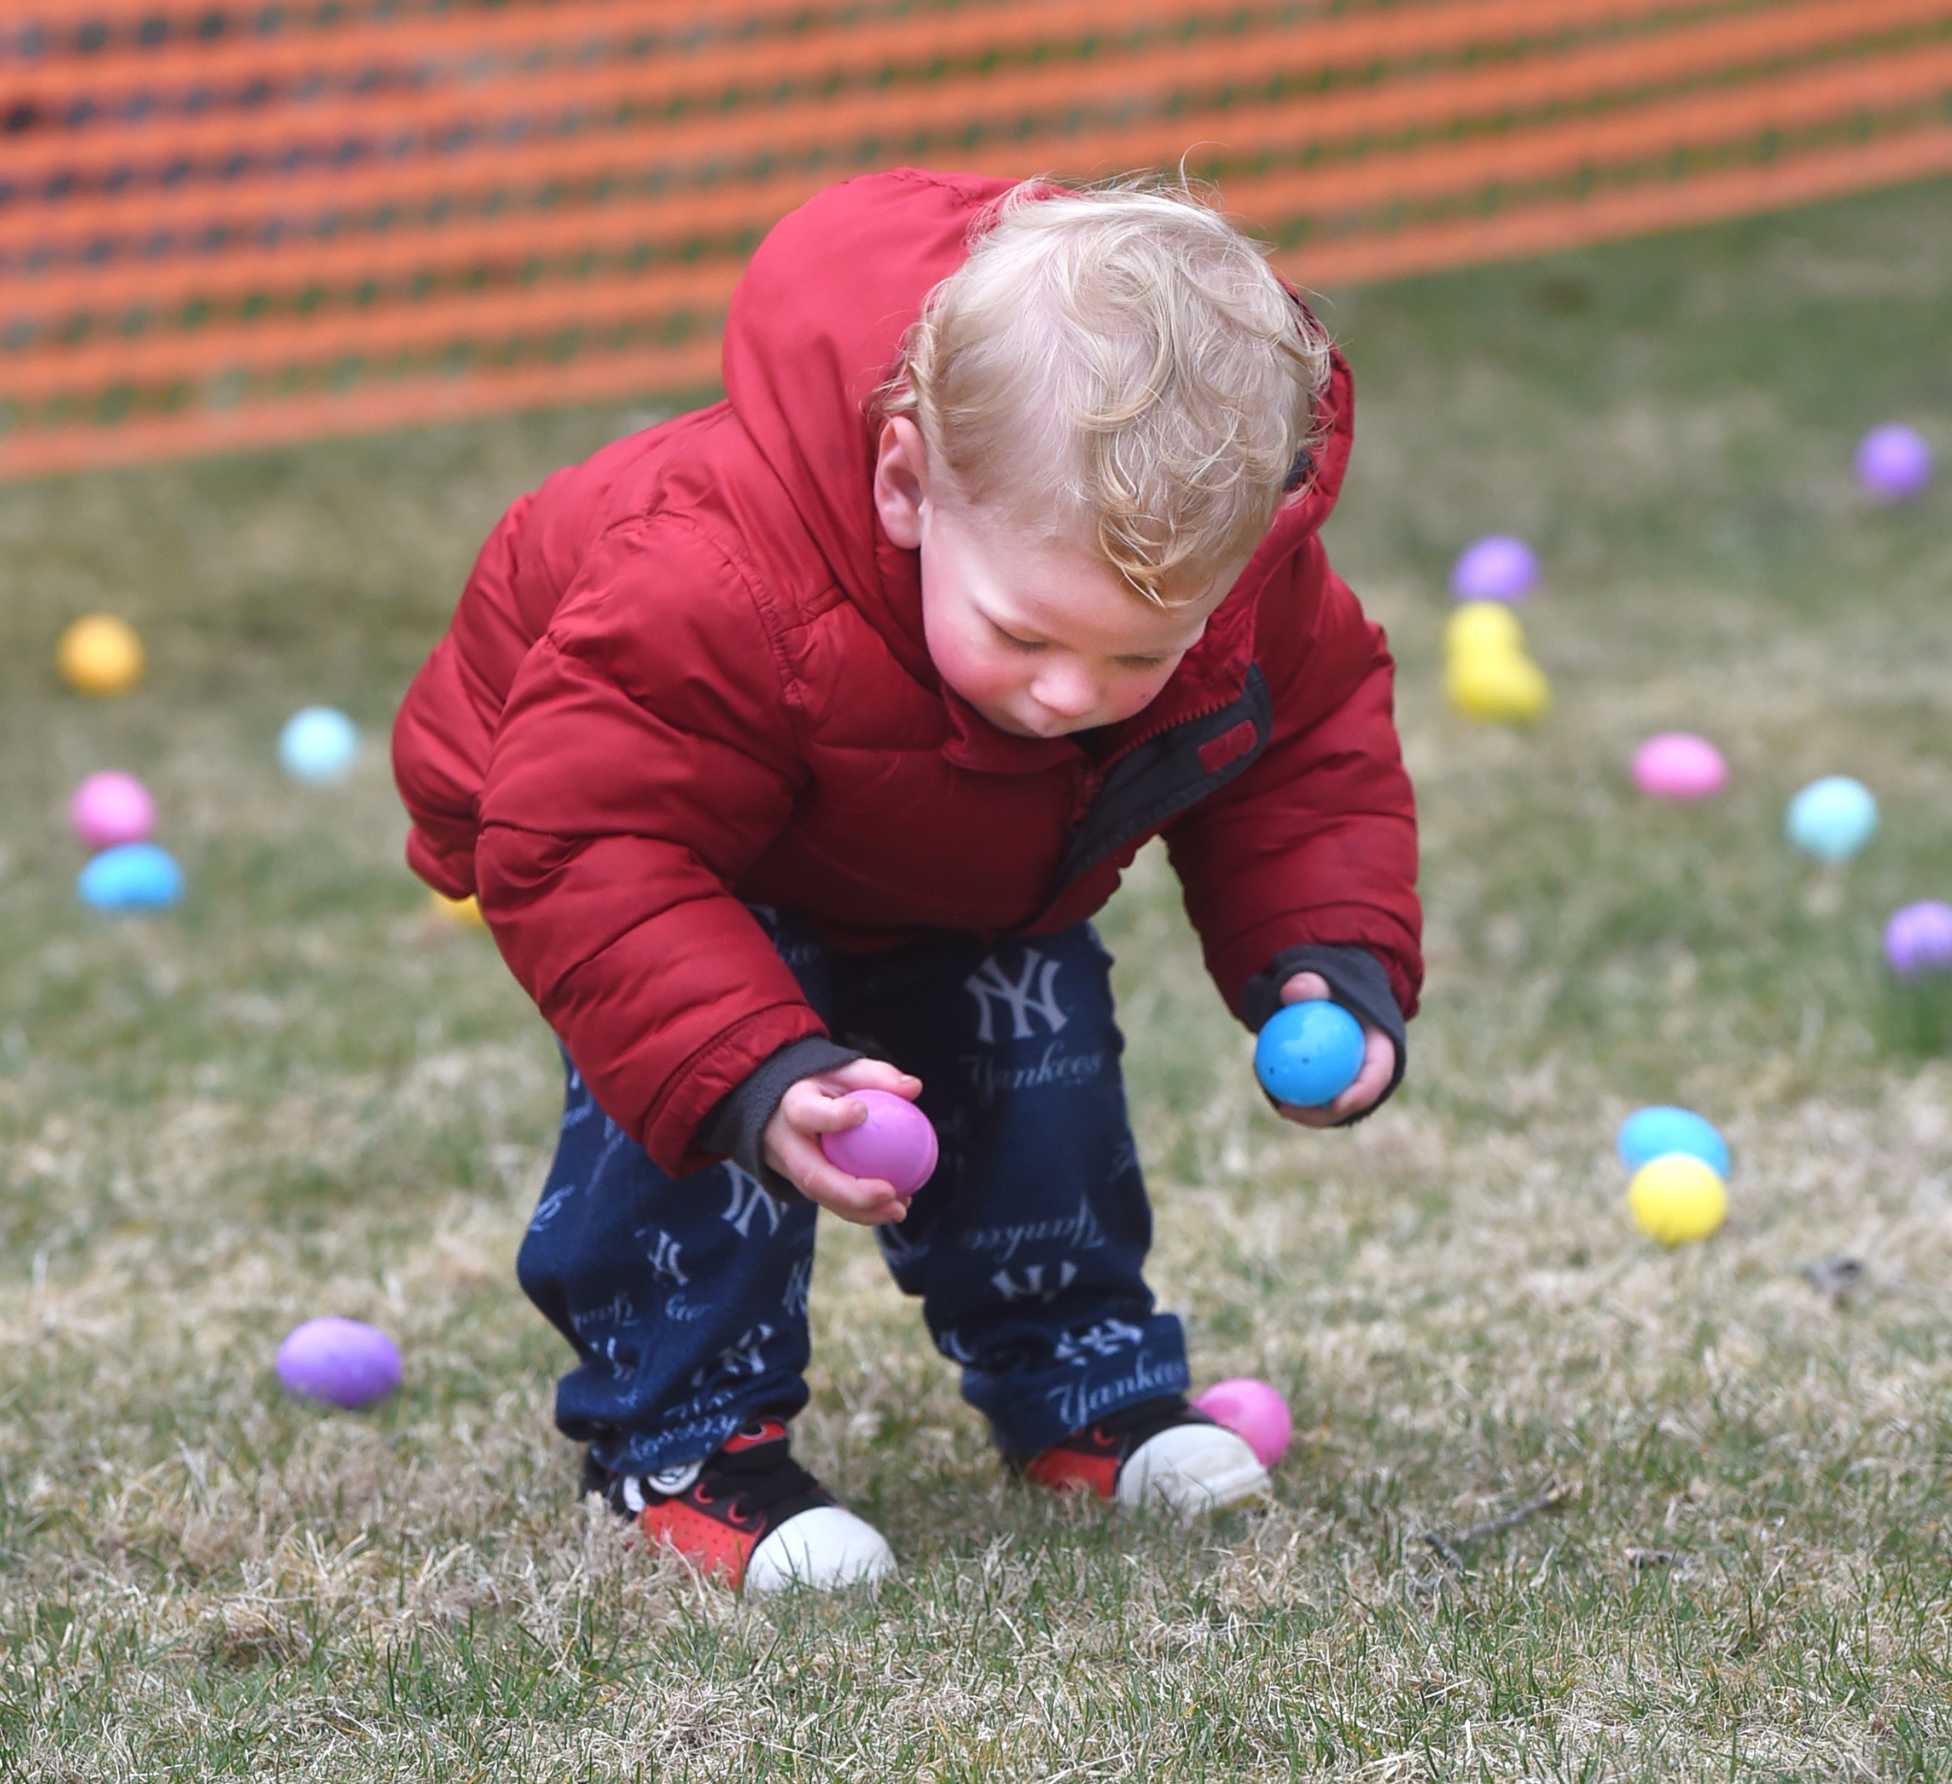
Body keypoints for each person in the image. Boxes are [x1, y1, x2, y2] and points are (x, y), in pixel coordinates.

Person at [391, 167, 1421, 1593]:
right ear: (905, 484)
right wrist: (753, 1069)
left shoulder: (1227, 584)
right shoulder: (712, 574)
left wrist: (1325, 954)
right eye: (1029, 635)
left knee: (1040, 1065)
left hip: (961, 853)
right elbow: (584, 837)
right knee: (715, 1114)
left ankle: (1082, 1384)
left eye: (1139, 657)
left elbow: (1302, 744)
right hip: (692, 858)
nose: (1076, 697)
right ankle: (686, 1442)